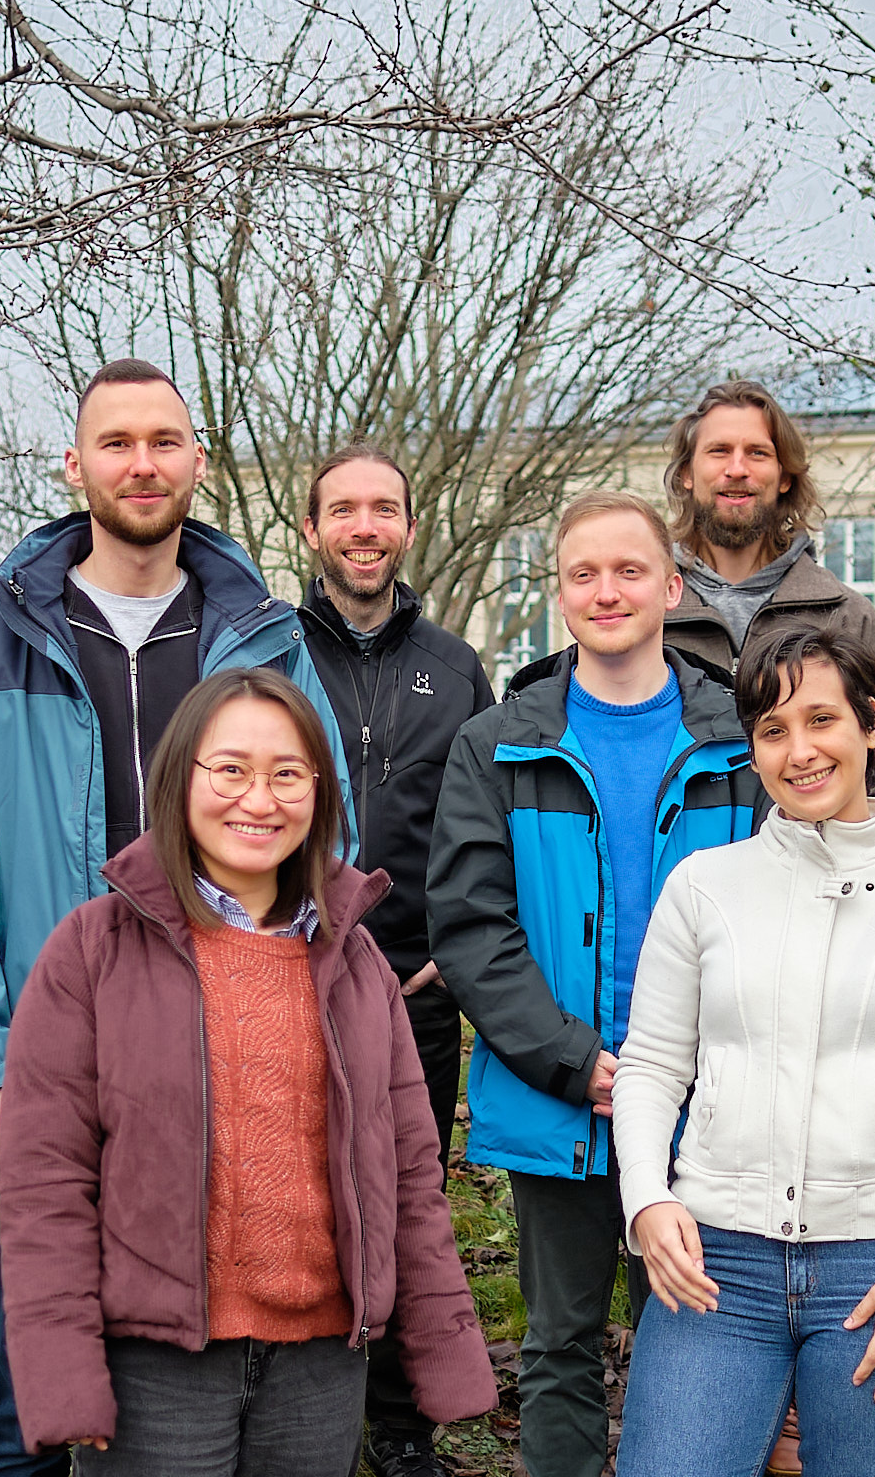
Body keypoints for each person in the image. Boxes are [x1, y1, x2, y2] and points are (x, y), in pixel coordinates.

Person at [0, 357, 350, 1476]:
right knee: (32, 1400)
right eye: (116, 443)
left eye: (163, 441)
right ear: (74, 464)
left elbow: (327, 844)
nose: (140, 464)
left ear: (198, 460)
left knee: (200, 1375)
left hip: (236, 1069)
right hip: (58, 1078)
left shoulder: (266, 635)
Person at [0, 668, 496, 1474]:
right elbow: (43, 1183)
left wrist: (443, 1350)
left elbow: (408, 1173)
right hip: (155, 1370)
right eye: (230, 769)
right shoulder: (92, 953)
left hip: (323, 1366)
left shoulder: (356, 960)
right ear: (179, 778)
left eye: (286, 775)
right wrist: (61, 1371)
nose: (258, 801)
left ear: (321, 793)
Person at [611, 625, 875, 1477]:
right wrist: (647, 1201)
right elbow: (652, 1064)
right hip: (717, 1267)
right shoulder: (704, 887)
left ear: (871, 726)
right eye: (772, 730)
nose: (799, 751)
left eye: (821, 720)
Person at [428, 491, 765, 1477]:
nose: (605, 590)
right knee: (558, 1345)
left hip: (707, 1109)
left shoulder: (741, 741)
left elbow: (772, 910)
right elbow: (470, 926)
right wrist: (577, 1063)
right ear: (558, 594)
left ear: (669, 585)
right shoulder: (494, 744)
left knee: (699, 1347)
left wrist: (684, 1067)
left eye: (627, 571)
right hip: (561, 1100)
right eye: (582, 573)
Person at [297, 440, 495, 1477]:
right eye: (343, 509)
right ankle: (309, 1405)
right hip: (294, 975)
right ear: (311, 531)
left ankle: (400, 1421)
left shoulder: (455, 668)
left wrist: (457, 955)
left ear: (408, 528)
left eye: (383, 509)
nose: (364, 526)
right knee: (299, 1192)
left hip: (416, 986)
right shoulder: (269, 654)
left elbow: (488, 824)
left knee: (403, 1199)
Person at [659, 379, 875, 703]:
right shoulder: (648, 611)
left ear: (785, 476)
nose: (737, 469)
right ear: (686, 473)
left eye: (757, 453)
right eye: (719, 451)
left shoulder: (846, 617)